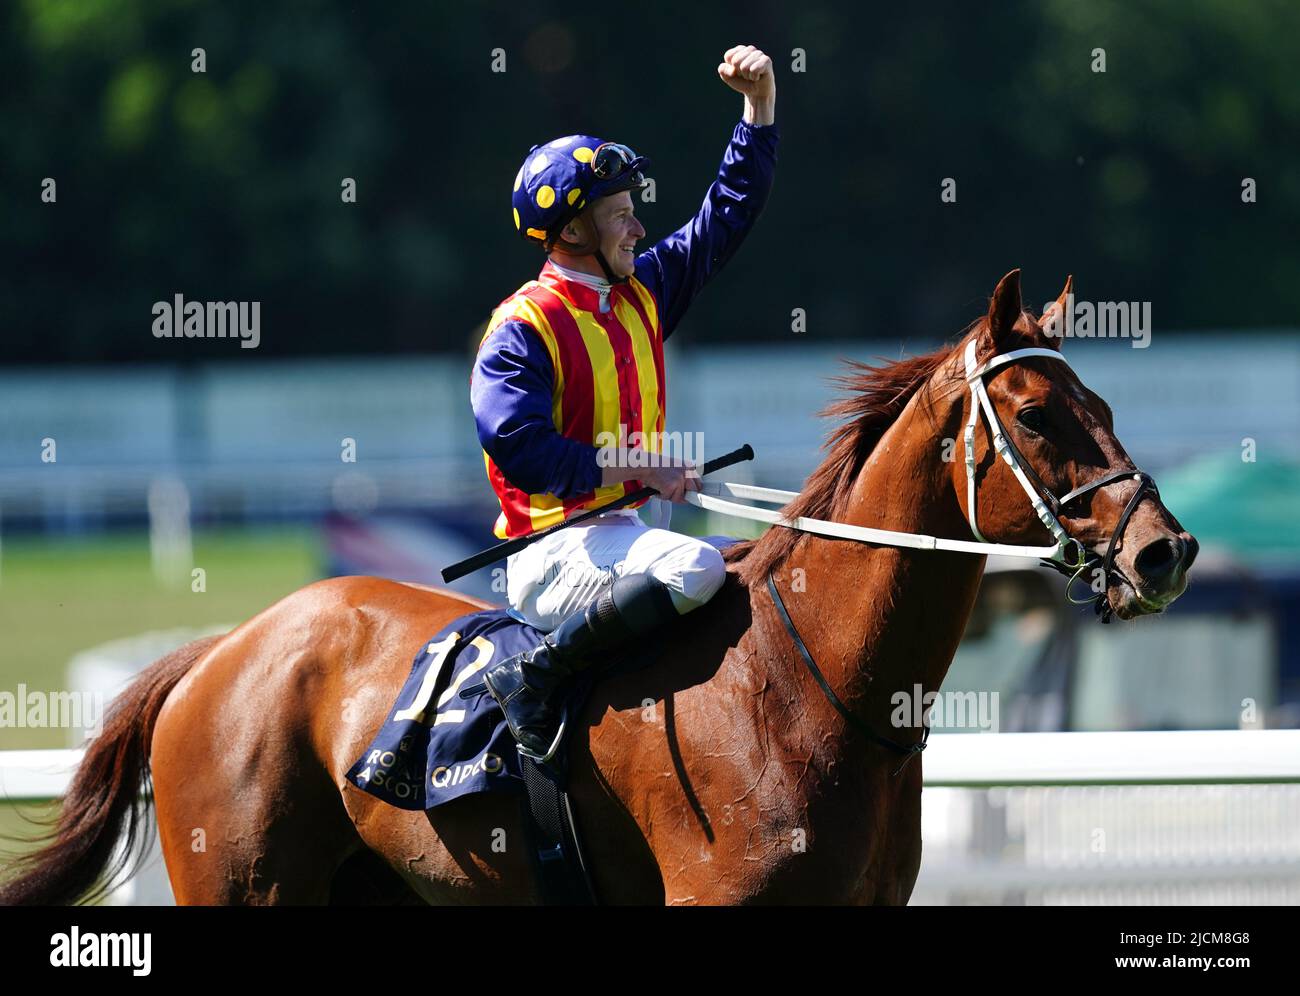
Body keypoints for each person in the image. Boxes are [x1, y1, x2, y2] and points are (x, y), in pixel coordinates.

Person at [470, 44, 778, 760]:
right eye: (621, 217)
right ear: (572, 231)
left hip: (631, 533)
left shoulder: (643, 287)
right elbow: (521, 450)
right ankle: (535, 675)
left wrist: (757, 110)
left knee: (751, 568)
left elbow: (724, 216)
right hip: (556, 550)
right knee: (699, 570)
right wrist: (640, 467)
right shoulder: (521, 329)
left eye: (636, 213)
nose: (639, 229)